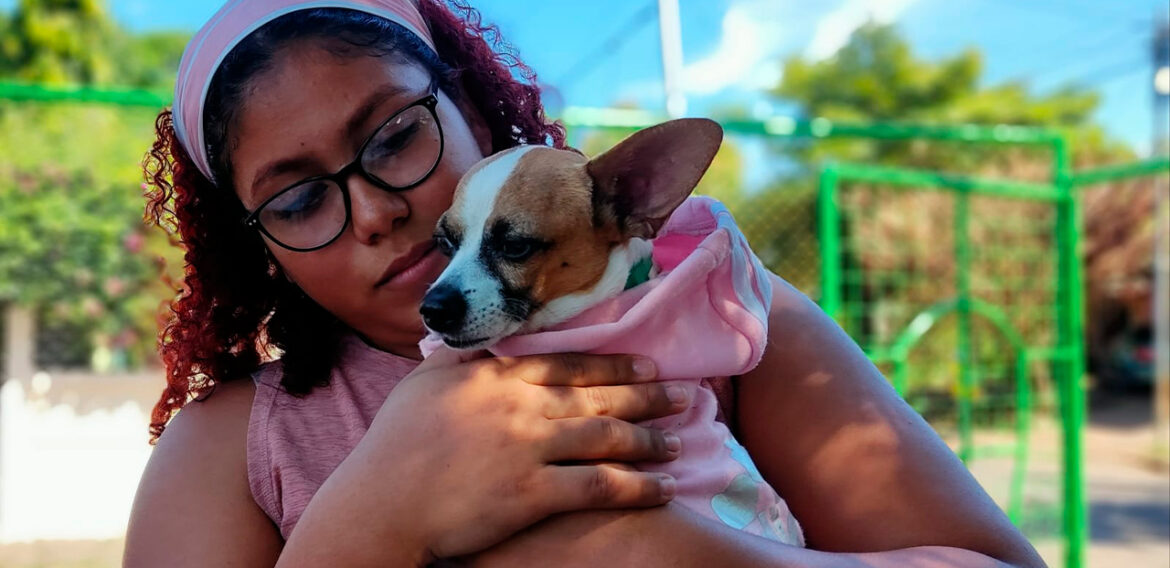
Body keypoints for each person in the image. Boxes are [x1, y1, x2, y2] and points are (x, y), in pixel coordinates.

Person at [123, 1, 1046, 566]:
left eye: (397, 135)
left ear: (477, 112)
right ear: (262, 249)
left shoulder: (709, 315)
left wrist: (677, 558)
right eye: (295, 198)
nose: (372, 211)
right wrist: (376, 516)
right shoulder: (230, 450)